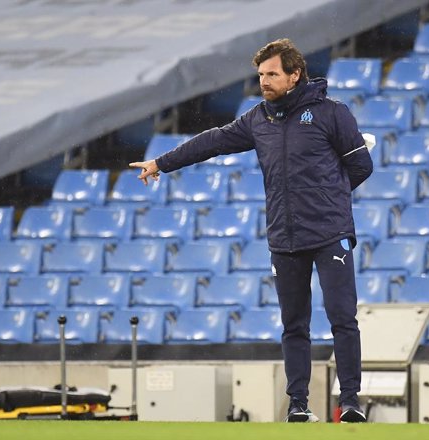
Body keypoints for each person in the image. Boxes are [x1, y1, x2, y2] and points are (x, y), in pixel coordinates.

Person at [129, 38, 373, 423]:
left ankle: (351, 401)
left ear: (294, 75)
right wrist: (161, 163)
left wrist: (329, 201)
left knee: (342, 317)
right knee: (294, 325)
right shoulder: (258, 120)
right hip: (284, 237)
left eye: (272, 73)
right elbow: (212, 142)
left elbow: (361, 167)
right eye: (261, 74)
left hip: (330, 234)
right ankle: (298, 404)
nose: (264, 80)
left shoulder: (332, 113)